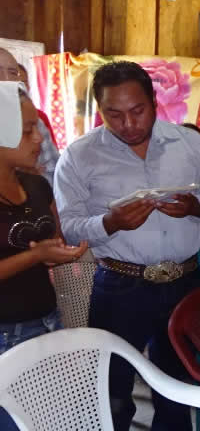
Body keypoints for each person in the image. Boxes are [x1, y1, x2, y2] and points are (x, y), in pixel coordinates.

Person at [53, 61, 200, 430]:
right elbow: (69, 229)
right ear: (100, 109)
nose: (128, 124)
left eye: (137, 111)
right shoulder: (79, 155)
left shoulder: (189, 144)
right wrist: (110, 223)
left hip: (182, 282)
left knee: (177, 390)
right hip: (119, 286)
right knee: (111, 393)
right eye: (114, 114)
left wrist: (195, 206)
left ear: (154, 102)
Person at [0, 82, 87, 430]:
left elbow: (50, 239)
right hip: (5, 332)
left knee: (56, 419)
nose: (39, 138)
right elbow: (34, 253)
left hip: (48, 319)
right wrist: (36, 257)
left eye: (36, 127)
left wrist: (57, 252)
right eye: (27, 131)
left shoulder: (36, 184)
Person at [0, 49, 59, 187]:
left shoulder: (36, 122)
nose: (7, 80)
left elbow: (55, 174)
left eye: (13, 73)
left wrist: (32, 181)